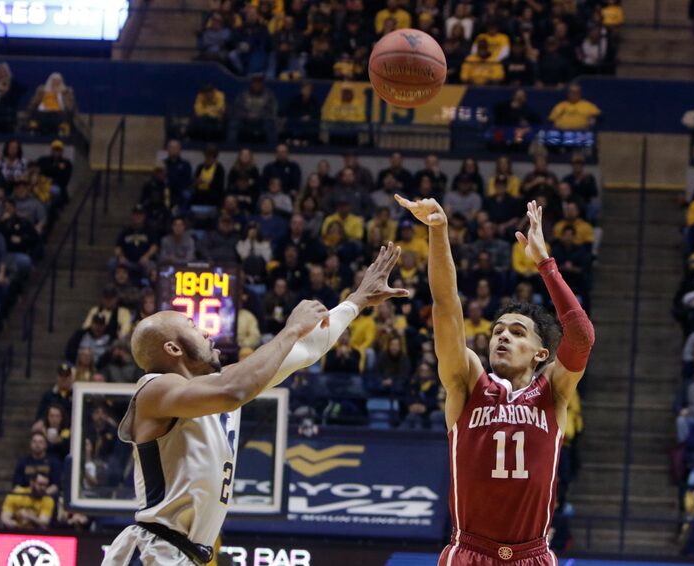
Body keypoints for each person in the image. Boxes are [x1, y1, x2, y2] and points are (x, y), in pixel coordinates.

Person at [102, 244, 408, 565]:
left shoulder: (218, 386)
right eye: (193, 328)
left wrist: (357, 299)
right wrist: (289, 329)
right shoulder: (156, 388)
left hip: (184, 554)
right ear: (173, 349)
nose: (206, 331)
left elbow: (304, 350)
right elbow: (234, 390)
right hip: (154, 550)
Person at [395, 196, 594, 566]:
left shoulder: (553, 391)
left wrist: (544, 264)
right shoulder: (467, 382)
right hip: (470, 552)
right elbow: (445, 305)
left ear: (541, 354)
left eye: (518, 332)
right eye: (498, 330)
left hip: (532, 555)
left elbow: (581, 336)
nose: (502, 336)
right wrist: (438, 232)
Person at [37, 140, 73, 205]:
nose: (56, 152)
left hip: (56, 186)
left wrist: (51, 180)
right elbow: (37, 172)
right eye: (55, 149)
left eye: (59, 150)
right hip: (42, 185)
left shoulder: (67, 163)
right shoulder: (43, 161)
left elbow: (65, 180)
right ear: (52, 150)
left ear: (62, 151)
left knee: (55, 190)